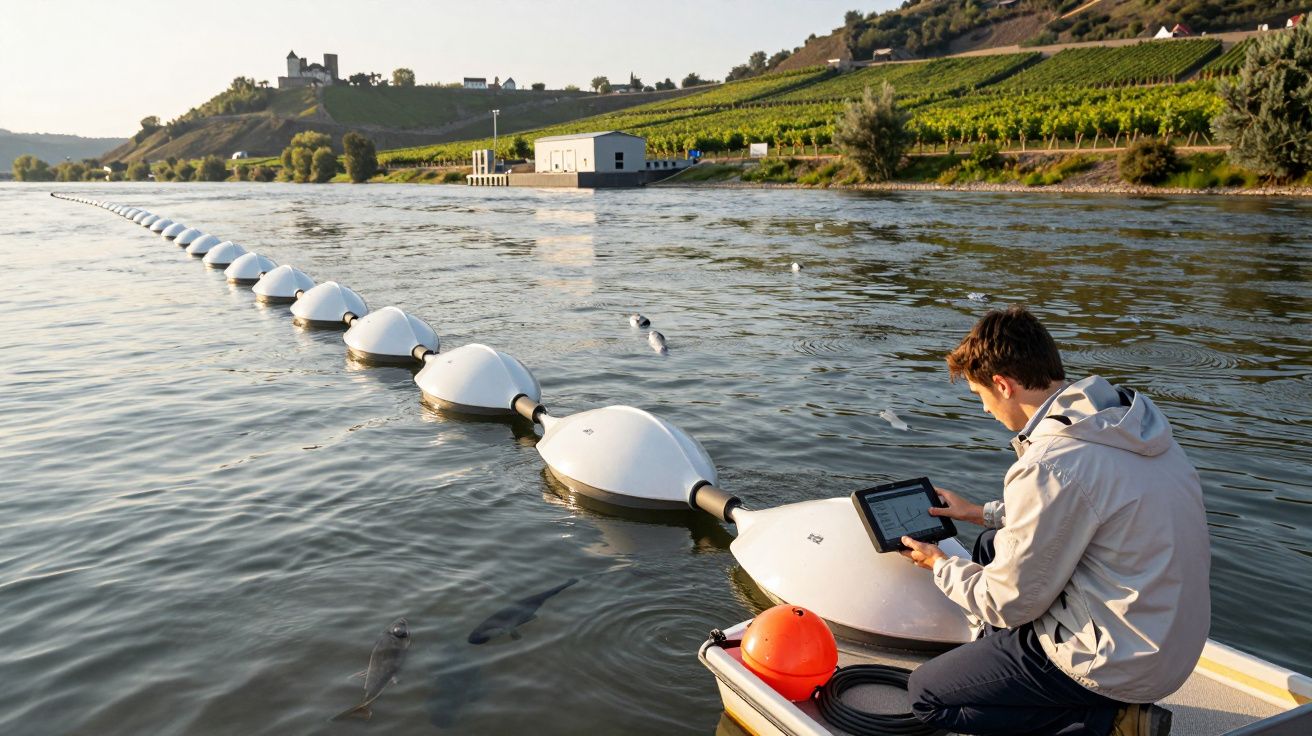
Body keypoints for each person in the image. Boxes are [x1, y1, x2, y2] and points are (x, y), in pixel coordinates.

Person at [900, 306, 1210, 736]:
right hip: (1170, 646)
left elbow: (1006, 603)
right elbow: (1090, 509)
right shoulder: (1124, 426)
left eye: (980, 396)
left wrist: (939, 564)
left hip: (1116, 665)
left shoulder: (1052, 462)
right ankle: (1018, 678)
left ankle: (1106, 719)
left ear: (1003, 385)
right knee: (992, 543)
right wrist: (978, 512)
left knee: (926, 694)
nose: (986, 410)